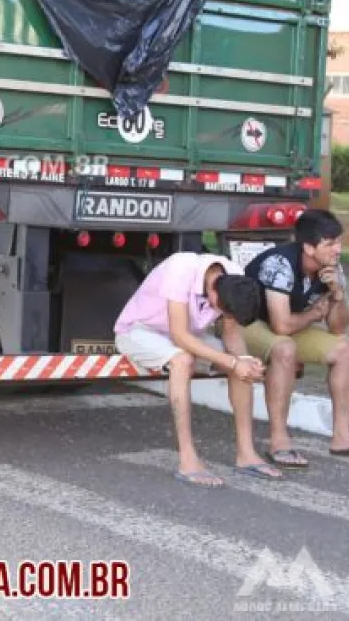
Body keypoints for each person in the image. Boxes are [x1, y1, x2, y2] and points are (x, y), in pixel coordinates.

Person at [114, 251, 281, 488]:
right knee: (182, 361)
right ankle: (187, 459)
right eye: (221, 310)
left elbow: (232, 335)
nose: (220, 315)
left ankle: (246, 453)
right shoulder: (180, 269)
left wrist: (243, 361)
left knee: (238, 363)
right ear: (214, 293)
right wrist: (232, 362)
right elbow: (179, 335)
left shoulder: (234, 277)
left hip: (188, 336)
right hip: (141, 331)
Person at [242, 209, 349, 466]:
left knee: (344, 350)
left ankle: (342, 436)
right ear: (309, 248)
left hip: (289, 325)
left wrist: (336, 293)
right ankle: (279, 440)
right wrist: (313, 314)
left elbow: (337, 328)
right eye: (330, 244)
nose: (337, 249)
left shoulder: (332, 268)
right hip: (247, 323)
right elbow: (280, 325)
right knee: (285, 348)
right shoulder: (280, 263)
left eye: (339, 242)